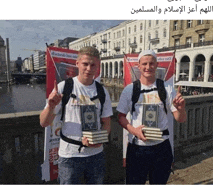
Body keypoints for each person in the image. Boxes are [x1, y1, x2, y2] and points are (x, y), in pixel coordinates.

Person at [40, 46, 113, 184]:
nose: (89, 68)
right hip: (69, 156)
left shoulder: (102, 91)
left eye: (93, 65)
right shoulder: (64, 87)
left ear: (98, 67)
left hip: (96, 156)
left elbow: (107, 123)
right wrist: (50, 106)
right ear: (77, 63)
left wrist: (100, 139)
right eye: (85, 64)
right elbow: (43, 123)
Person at [117, 50, 186, 185]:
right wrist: (134, 130)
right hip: (137, 148)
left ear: (157, 65)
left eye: (151, 64)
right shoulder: (129, 89)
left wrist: (181, 109)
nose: (148, 67)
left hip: (161, 147)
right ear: (138, 66)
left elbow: (180, 119)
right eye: (144, 64)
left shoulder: (167, 88)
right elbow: (120, 117)